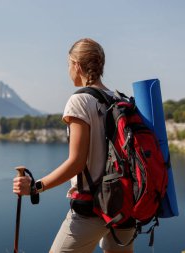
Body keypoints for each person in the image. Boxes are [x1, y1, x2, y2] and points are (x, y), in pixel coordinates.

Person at [12, 38, 135, 253]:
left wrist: (35, 187)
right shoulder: (118, 99)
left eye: (69, 64)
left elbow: (77, 163)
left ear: (77, 65)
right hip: (125, 205)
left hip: (93, 208)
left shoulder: (79, 101)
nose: (68, 70)